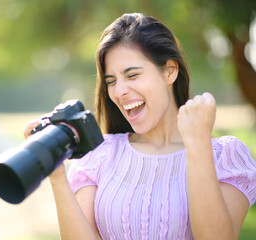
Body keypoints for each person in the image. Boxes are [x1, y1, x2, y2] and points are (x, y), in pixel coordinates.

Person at [24, 13, 256, 240]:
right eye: (111, 81)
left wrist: (197, 144)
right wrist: (56, 174)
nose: (119, 91)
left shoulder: (223, 157)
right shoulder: (101, 154)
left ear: (170, 71)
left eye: (132, 75)